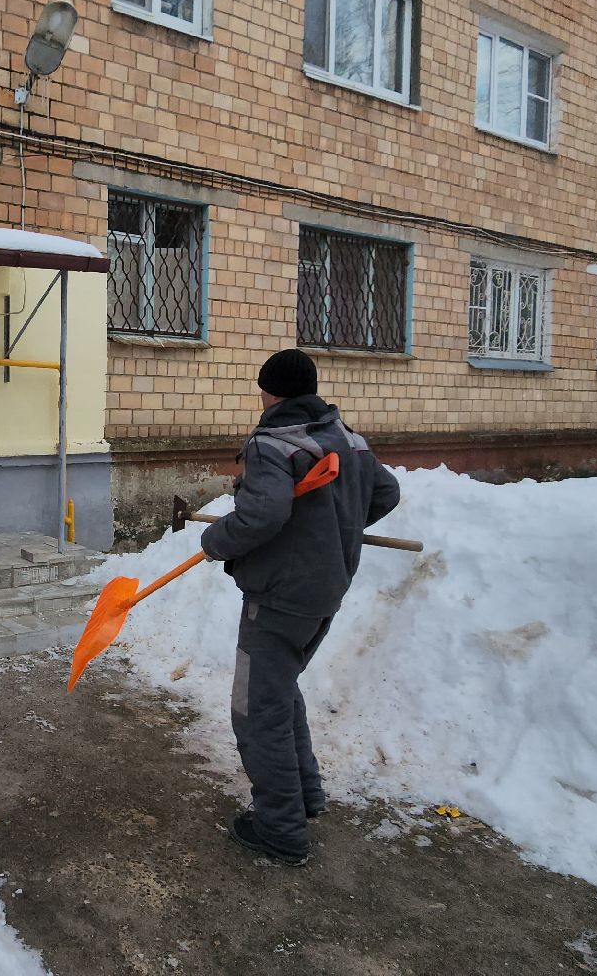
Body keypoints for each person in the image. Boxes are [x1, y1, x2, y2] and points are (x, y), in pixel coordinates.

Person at [201, 348, 401, 867]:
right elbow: (386, 493)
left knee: (256, 713)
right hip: (326, 591)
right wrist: (333, 524)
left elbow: (261, 513)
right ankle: (305, 795)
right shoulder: (347, 438)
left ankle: (280, 829)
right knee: (280, 690)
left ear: (270, 392)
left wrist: (216, 538)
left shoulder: (272, 445)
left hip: (280, 598)